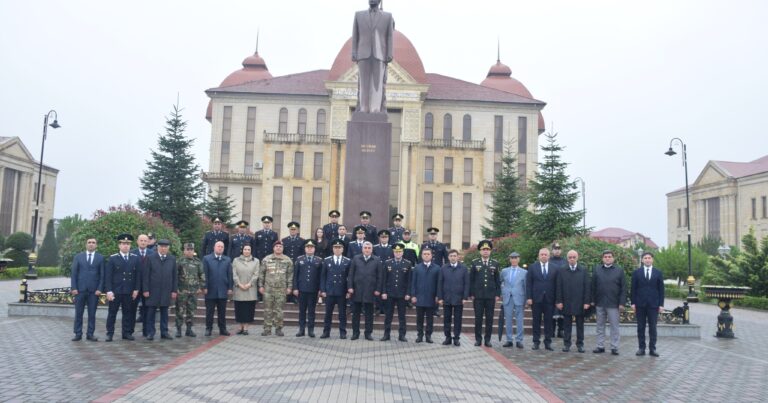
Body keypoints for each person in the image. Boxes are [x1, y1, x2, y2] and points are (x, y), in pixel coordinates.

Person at [351, 0, 394, 113]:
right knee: (363, 83)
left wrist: (389, 53)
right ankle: (364, 107)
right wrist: (354, 52)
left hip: (380, 53)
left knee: (377, 82)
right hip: (363, 53)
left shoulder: (387, 16)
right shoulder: (358, 15)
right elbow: (355, 35)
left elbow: (389, 36)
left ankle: (375, 108)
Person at [104, 234, 141, 342]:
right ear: (119, 245)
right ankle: (109, 333)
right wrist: (109, 291)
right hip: (116, 291)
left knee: (128, 313)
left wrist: (136, 289)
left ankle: (126, 333)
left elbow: (138, 276)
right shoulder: (113, 258)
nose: (126, 246)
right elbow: (108, 276)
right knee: (112, 313)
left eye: (128, 244)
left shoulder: (135, 258)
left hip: (129, 291)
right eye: (124, 244)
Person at [592, 250, 626, 356]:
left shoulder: (619, 270)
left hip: (614, 303)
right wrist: (592, 300)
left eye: (609, 256)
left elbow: (623, 288)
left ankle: (614, 347)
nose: (607, 258)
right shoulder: (597, 269)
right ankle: (600, 346)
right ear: (602, 258)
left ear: (613, 258)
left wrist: (622, 303)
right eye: (605, 256)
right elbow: (593, 286)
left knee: (614, 326)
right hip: (600, 302)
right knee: (599, 326)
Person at [142, 239, 178, 341]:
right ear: (157, 247)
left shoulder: (172, 259)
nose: (163, 248)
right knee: (151, 312)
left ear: (168, 248)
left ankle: (164, 332)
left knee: (164, 312)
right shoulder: (150, 258)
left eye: (165, 247)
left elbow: (174, 276)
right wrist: (145, 289)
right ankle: (150, 332)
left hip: (166, 290)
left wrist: (174, 290)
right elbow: (146, 275)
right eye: (161, 246)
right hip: (152, 290)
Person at [556, 250, 591, 353]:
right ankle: (567, 344)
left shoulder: (583, 270)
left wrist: (586, 302)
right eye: (570, 257)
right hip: (566, 302)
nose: (572, 259)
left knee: (580, 325)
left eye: (574, 257)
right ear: (567, 259)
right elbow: (559, 287)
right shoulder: (562, 270)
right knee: (566, 325)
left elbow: (587, 287)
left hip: (580, 302)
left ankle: (580, 344)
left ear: (577, 258)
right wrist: (559, 301)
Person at [70, 238, 104, 341]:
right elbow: (74, 274)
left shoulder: (100, 258)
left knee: (92, 314)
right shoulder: (78, 257)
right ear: (86, 245)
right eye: (89, 242)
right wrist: (74, 288)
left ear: (96, 245)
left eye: (93, 243)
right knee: (78, 313)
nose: (91, 244)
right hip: (80, 290)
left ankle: (90, 334)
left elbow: (102, 275)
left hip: (94, 291)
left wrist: (99, 289)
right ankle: (78, 333)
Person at [631, 252, 664, 357]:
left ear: (652, 260)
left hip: (653, 305)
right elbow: (633, 289)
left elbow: (661, 290)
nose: (647, 260)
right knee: (640, 327)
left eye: (649, 258)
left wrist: (661, 304)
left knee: (653, 327)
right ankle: (641, 348)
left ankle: (652, 349)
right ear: (642, 260)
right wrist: (633, 303)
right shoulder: (637, 272)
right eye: (645, 258)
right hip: (640, 304)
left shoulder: (658, 273)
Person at [347, 241, 382, 340]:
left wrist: (378, 289)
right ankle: (355, 333)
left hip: (370, 291)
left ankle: (368, 333)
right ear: (362, 249)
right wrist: (350, 287)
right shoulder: (356, 258)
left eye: (369, 248)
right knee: (356, 314)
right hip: (357, 290)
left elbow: (380, 276)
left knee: (369, 314)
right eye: (365, 248)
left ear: (372, 249)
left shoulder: (377, 260)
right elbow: (351, 274)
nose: (367, 250)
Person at [470, 240, 501, 347]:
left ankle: (487, 339)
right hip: (478, 297)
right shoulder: (475, 263)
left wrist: (497, 294)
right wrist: (472, 293)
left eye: (487, 249)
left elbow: (498, 280)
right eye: (483, 249)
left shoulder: (495, 263)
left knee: (489, 318)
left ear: (490, 251)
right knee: (478, 318)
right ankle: (478, 339)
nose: (486, 251)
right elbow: (471, 280)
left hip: (490, 296)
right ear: (480, 251)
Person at [526, 248, 559, 351]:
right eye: (542, 254)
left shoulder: (555, 268)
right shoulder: (532, 267)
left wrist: (557, 299)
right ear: (539, 256)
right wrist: (529, 297)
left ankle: (548, 342)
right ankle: (536, 342)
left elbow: (557, 285)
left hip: (550, 299)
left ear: (549, 256)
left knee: (549, 322)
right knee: (536, 321)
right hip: (536, 299)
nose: (544, 256)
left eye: (545, 254)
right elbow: (529, 284)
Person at [258, 240, 294, 336]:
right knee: (267, 310)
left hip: (281, 289)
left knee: (279, 310)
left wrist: (289, 287)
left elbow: (290, 275)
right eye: (277, 246)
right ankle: (267, 329)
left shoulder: (287, 260)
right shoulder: (266, 259)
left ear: (283, 248)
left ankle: (278, 328)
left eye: (280, 246)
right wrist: (260, 286)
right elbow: (261, 273)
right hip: (268, 289)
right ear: (273, 248)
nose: (278, 248)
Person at [380, 243, 412, 342]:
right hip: (389, 294)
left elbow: (409, 281)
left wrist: (408, 293)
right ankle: (386, 334)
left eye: (400, 252)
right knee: (388, 316)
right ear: (393, 252)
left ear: (402, 252)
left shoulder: (408, 263)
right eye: (396, 251)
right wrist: (384, 292)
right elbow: (384, 279)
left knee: (402, 316)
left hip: (402, 294)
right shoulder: (387, 263)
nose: (398, 253)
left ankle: (402, 335)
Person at [437, 249, 469, 347]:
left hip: (459, 299)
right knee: (447, 319)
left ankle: (456, 338)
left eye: (455, 256)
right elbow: (440, 283)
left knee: (457, 320)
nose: (453, 257)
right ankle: (447, 338)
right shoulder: (443, 268)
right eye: (451, 256)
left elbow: (467, 284)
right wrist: (440, 298)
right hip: (446, 298)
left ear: (458, 257)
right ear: (448, 257)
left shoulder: (463, 268)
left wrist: (465, 297)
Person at [320, 239, 352, 339]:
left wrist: (348, 290)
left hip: (342, 292)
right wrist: (323, 290)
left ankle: (343, 332)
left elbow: (349, 277)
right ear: (332, 249)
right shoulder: (327, 260)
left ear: (343, 249)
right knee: (328, 313)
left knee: (342, 314)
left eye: (339, 248)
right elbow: (323, 277)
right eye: (335, 247)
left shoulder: (347, 261)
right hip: (329, 291)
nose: (337, 249)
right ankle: (326, 332)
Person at [293, 240, 323, 337]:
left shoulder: (319, 260)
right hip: (302, 290)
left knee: (311, 311)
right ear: (305, 249)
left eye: (312, 247)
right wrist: (295, 288)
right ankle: (301, 330)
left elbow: (321, 276)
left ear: (314, 249)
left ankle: (311, 330)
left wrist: (320, 289)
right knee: (302, 311)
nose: (310, 249)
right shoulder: (299, 259)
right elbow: (295, 276)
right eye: (308, 247)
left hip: (313, 290)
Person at [203, 241, 233, 337]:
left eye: (222, 247)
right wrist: (205, 287)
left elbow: (230, 275)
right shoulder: (207, 259)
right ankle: (208, 328)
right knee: (209, 312)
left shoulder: (227, 260)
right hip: (210, 290)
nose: (220, 248)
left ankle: (222, 329)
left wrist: (230, 288)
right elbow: (205, 274)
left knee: (222, 312)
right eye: (218, 246)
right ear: (214, 247)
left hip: (222, 290)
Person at [410, 248, 440, 343]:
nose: (426, 256)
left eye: (428, 254)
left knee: (430, 319)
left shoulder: (437, 268)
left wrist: (437, 296)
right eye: (424, 254)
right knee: (419, 318)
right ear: (422, 256)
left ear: (431, 256)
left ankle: (428, 336)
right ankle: (420, 335)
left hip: (431, 298)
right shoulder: (417, 268)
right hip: (419, 298)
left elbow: (439, 284)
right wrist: (413, 295)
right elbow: (413, 283)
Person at [175, 242, 204, 338]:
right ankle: (178, 330)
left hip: (193, 291)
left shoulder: (197, 262)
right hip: (182, 291)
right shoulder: (179, 262)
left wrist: (201, 287)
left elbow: (202, 275)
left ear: (193, 251)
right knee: (180, 311)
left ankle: (189, 329)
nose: (189, 251)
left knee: (191, 311)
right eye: (187, 249)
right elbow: (175, 276)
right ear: (184, 251)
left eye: (191, 250)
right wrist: (176, 289)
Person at [501, 252, 527, 349]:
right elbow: (500, 282)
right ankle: (509, 340)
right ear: (510, 259)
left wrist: (526, 299)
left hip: (519, 298)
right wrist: (503, 291)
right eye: (512, 258)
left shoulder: (524, 272)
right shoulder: (504, 271)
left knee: (519, 320)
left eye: (516, 258)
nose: (514, 260)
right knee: (508, 320)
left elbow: (526, 287)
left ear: (519, 259)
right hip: (508, 298)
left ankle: (519, 340)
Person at [233, 244, 259, 335]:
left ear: (251, 251)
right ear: (242, 250)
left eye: (248, 249)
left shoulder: (256, 261)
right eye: (245, 249)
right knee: (239, 308)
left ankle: (246, 328)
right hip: (239, 288)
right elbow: (234, 273)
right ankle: (240, 327)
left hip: (250, 289)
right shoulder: (236, 260)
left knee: (248, 309)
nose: (247, 251)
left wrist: (249, 284)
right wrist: (239, 284)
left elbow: (256, 274)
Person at [131, 234, 153, 336]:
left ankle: (147, 331)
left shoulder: (152, 253)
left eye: (145, 240)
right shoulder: (132, 253)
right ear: (137, 241)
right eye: (141, 240)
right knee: (131, 309)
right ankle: (129, 331)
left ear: (148, 242)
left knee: (147, 309)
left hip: (147, 287)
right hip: (134, 286)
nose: (143, 242)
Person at [549, 243, 567, 338]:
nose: (557, 250)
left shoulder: (565, 261)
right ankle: (551, 330)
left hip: (563, 290)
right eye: (555, 248)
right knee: (551, 311)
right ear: (552, 250)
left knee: (562, 310)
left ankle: (561, 330)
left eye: (559, 248)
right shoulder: (549, 261)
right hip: (551, 290)